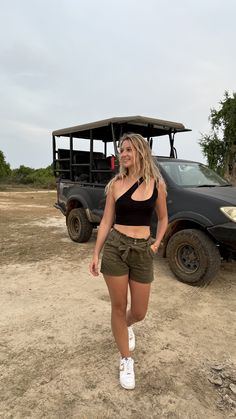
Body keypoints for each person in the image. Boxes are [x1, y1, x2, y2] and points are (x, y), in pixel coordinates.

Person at [89, 133, 168, 390]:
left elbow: (164, 218)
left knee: (139, 311)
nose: (123, 154)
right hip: (116, 247)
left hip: (143, 250)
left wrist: (156, 243)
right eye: (121, 150)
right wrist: (95, 253)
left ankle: (126, 325)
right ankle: (126, 359)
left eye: (128, 150)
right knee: (118, 305)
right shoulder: (115, 185)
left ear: (141, 153)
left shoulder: (156, 184)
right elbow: (105, 222)